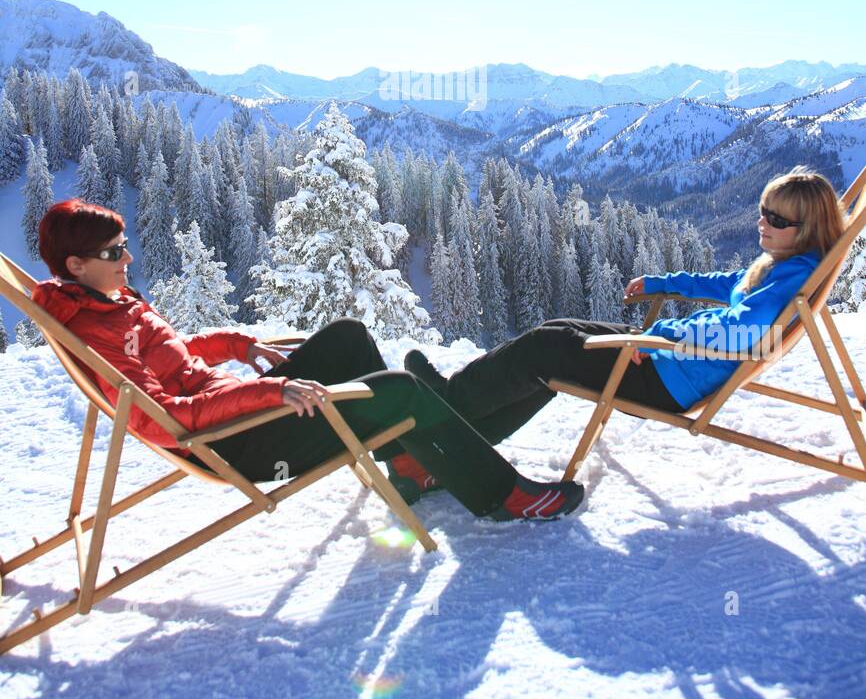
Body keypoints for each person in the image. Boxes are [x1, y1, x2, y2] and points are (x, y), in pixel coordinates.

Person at [32, 199, 585, 524]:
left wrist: (238, 346)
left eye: (125, 244)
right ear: (76, 265)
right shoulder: (93, 328)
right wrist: (271, 392)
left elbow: (171, 354)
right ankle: (502, 496)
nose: (127, 257)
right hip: (234, 442)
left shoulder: (105, 303)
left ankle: (413, 462)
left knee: (347, 336)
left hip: (233, 414)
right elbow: (162, 414)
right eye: (113, 252)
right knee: (395, 390)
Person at [402, 167, 846, 452]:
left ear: (807, 230)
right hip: (669, 363)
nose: (762, 223)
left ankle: (450, 402)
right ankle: (467, 422)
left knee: (548, 347)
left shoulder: (792, 277)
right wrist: (664, 281)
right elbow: (731, 286)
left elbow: (744, 332)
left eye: (777, 220)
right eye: (763, 211)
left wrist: (663, 337)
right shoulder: (786, 266)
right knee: (560, 329)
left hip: (665, 381)